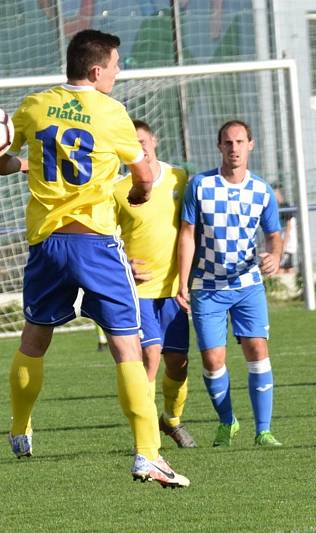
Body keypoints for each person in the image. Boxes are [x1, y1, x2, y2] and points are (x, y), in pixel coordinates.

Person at [0, 29, 189, 488]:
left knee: (34, 341)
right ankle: (147, 455)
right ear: (97, 70)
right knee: (126, 347)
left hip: (46, 244)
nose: (118, 73)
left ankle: (20, 428)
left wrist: (10, 160)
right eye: (116, 65)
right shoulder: (112, 112)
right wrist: (138, 196)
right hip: (95, 243)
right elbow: (142, 176)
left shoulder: (34, 106)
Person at [176, 120, 284, 448]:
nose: (234, 148)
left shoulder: (261, 190)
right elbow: (187, 235)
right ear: (219, 146)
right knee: (212, 360)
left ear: (251, 144)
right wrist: (183, 282)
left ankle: (263, 431)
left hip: (248, 285)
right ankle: (228, 421)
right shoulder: (200, 186)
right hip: (207, 287)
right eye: (228, 142)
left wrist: (275, 256)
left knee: (257, 351)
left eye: (239, 142)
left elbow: (274, 235)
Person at [111, 119, 196, 448]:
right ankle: (145, 437)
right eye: (131, 143)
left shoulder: (180, 179)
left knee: (179, 363)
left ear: (154, 140)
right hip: (139, 293)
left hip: (174, 291)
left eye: (143, 140)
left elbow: (191, 228)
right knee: (150, 357)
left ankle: (171, 420)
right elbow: (104, 238)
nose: (139, 147)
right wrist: (124, 266)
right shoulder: (118, 190)